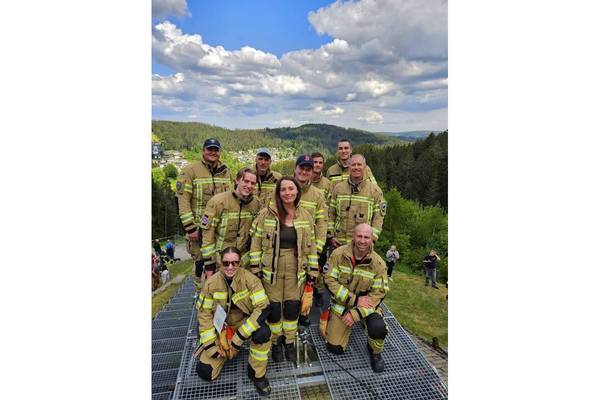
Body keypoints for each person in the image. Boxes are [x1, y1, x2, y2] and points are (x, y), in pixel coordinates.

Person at [248, 177, 319, 362]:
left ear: (297, 191)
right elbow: (255, 243)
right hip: (271, 268)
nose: (287, 193)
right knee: (274, 308)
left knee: (292, 307)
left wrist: (312, 273)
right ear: (278, 193)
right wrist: (255, 269)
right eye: (283, 189)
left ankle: (289, 341)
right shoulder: (266, 215)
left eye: (291, 189)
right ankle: (276, 342)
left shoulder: (306, 216)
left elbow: (311, 247)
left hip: (296, 268)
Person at [195, 247, 272, 396]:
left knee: (263, 333)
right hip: (221, 328)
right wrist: (211, 347)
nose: (230, 267)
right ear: (221, 263)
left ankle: (256, 374)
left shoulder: (251, 280)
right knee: (205, 372)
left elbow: (262, 308)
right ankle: (225, 353)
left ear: (240, 263)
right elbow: (204, 315)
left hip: (243, 323)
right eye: (226, 263)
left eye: (234, 263)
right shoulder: (211, 283)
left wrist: (238, 339)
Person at [322, 224, 389, 373]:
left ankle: (375, 352)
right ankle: (343, 326)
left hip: (367, 307)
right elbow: (329, 280)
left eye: (366, 237)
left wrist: (356, 314)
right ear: (353, 236)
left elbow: (378, 294)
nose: (362, 241)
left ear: (372, 239)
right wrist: (354, 300)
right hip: (343, 305)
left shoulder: (378, 264)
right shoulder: (338, 254)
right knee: (335, 348)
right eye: (359, 236)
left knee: (378, 328)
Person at [176, 138, 232, 292]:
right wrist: (190, 228)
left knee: (220, 264)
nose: (213, 152)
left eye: (216, 150)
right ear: (203, 151)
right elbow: (183, 201)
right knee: (201, 265)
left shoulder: (226, 171)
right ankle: (201, 296)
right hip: (199, 231)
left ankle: (219, 296)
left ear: (219, 152)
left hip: (220, 230)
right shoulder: (190, 171)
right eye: (210, 149)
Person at [199, 168, 261, 272]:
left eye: (253, 183)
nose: (249, 186)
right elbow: (207, 237)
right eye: (246, 181)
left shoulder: (256, 204)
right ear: (237, 181)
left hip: (244, 264)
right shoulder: (217, 202)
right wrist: (209, 266)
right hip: (220, 264)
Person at [328, 154, 386, 248]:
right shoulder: (338, 189)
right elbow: (331, 214)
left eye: (359, 164)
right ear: (349, 167)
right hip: (338, 244)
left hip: (362, 247)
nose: (356, 167)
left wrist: (372, 240)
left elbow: (378, 219)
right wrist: (331, 236)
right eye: (353, 165)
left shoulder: (375, 191)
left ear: (365, 167)